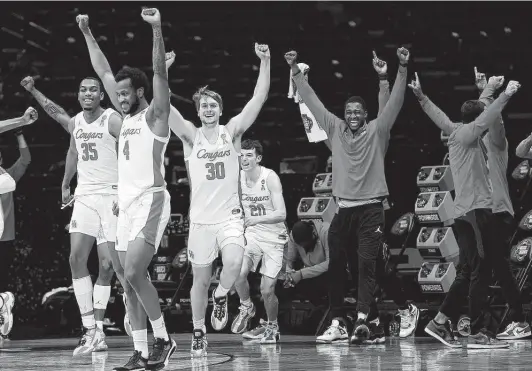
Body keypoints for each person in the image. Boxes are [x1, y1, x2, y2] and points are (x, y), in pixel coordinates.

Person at [284, 47, 409, 345]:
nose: (352, 115)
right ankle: (340, 320)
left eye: (358, 112)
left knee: (368, 265)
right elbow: (313, 102)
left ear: (366, 116)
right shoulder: (334, 127)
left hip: (371, 210)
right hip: (344, 211)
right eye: (349, 111)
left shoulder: (378, 131)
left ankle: (364, 319)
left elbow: (394, 104)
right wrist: (295, 71)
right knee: (338, 266)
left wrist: (396, 71)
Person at [76, 10, 175, 370]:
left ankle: (163, 339)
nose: (118, 98)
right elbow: (102, 68)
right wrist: (87, 31)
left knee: (134, 273)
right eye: (115, 94)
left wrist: (157, 29)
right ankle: (142, 351)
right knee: (126, 283)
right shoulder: (125, 117)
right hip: (125, 205)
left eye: (124, 93)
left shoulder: (154, 117)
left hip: (151, 200)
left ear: (140, 92)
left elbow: (160, 74)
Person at [166, 41, 270, 356]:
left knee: (236, 264)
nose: (209, 110)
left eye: (213, 105)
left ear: (220, 110)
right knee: (199, 280)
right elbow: (162, 104)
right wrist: (164, 71)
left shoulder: (232, 133)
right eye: (204, 106)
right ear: (197, 112)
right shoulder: (189, 136)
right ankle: (199, 331)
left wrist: (265, 61)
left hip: (230, 217)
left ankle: (222, 294)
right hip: (200, 220)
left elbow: (259, 98)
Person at [409, 73, 522, 348]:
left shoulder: (456, 131)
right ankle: (478, 333)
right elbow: (485, 117)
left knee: (471, 272)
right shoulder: (470, 133)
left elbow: (445, 117)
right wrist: (504, 94)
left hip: (464, 214)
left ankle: (439, 321)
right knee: (481, 272)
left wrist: (422, 97)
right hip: (476, 212)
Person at [21, 75, 124, 355]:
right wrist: (66, 182)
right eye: (83, 90)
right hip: (85, 196)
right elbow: (70, 145)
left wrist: (127, 192)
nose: (87, 93)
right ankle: (89, 328)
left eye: (93, 90)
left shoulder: (113, 120)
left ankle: (100, 331)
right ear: (78, 95)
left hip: (112, 196)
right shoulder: (76, 122)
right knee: (76, 258)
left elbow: (133, 152)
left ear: (101, 95)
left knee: (107, 266)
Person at [230, 139, 288, 344]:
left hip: (274, 237)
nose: (244, 159)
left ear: (258, 158)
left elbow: (281, 213)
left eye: (249, 155)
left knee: (266, 290)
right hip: (253, 234)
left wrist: (256, 219)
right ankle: (246, 306)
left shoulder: (270, 178)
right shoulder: (237, 179)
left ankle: (272, 327)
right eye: (242, 155)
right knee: (237, 271)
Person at [0, 116, 36, 340]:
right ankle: (3, 301)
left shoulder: (7, 176)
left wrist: (19, 133)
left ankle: (3, 302)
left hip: (4, 236)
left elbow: (25, 159)